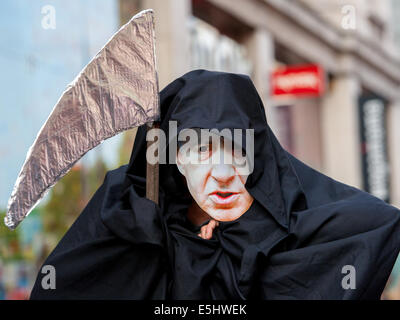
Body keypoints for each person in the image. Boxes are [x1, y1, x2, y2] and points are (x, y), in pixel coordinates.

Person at [30, 69, 400, 299]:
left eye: (237, 149)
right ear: (174, 155)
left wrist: (254, 223)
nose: (222, 171)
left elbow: (375, 222)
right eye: (203, 148)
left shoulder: (274, 231)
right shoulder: (129, 214)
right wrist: (151, 237)